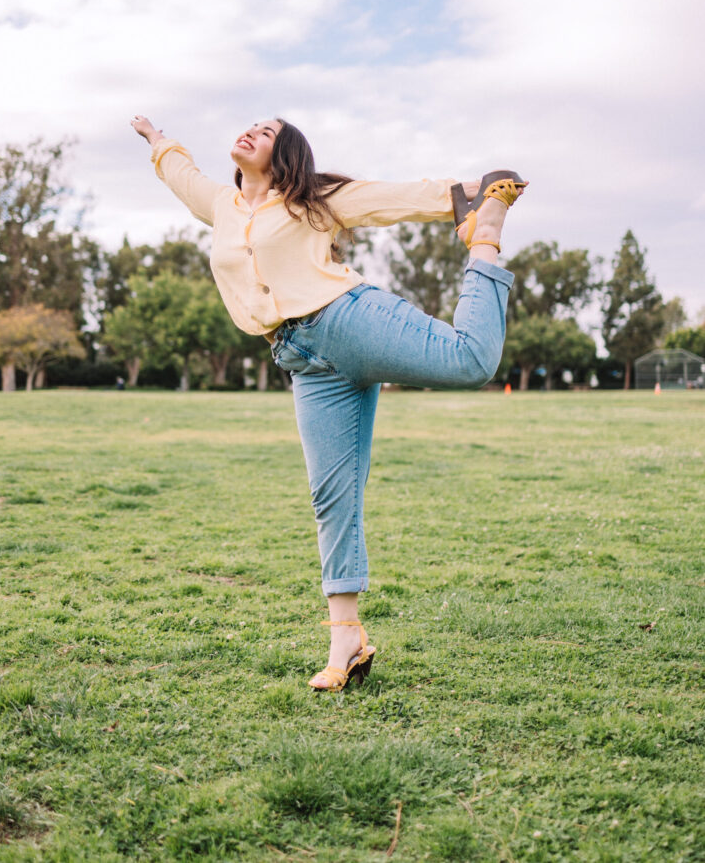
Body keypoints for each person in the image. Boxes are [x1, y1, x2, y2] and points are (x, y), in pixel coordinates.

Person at [131, 114, 526, 691]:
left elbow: (388, 198)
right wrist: (157, 140)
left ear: (285, 152)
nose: (251, 133)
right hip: (302, 362)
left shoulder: (311, 198)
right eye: (249, 126)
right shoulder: (220, 205)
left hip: (345, 319)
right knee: (332, 497)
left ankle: (485, 242)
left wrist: (467, 198)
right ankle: (347, 639)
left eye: (266, 132)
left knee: (470, 362)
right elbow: (181, 174)